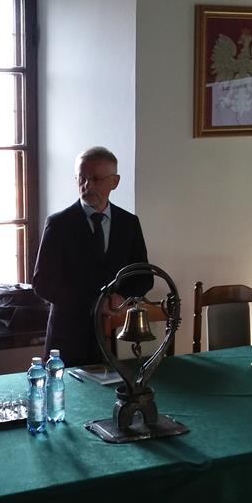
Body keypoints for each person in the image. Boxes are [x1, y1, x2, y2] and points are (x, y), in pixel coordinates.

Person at [32, 146, 153, 367]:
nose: (87, 186)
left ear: (115, 182)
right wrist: (95, 302)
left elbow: (143, 277)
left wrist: (121, 297)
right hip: (68, 336)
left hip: (112, 333)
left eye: (96, 179)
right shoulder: (59, 225)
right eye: (82, 178)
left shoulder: (128, 223)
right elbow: (43, 284)